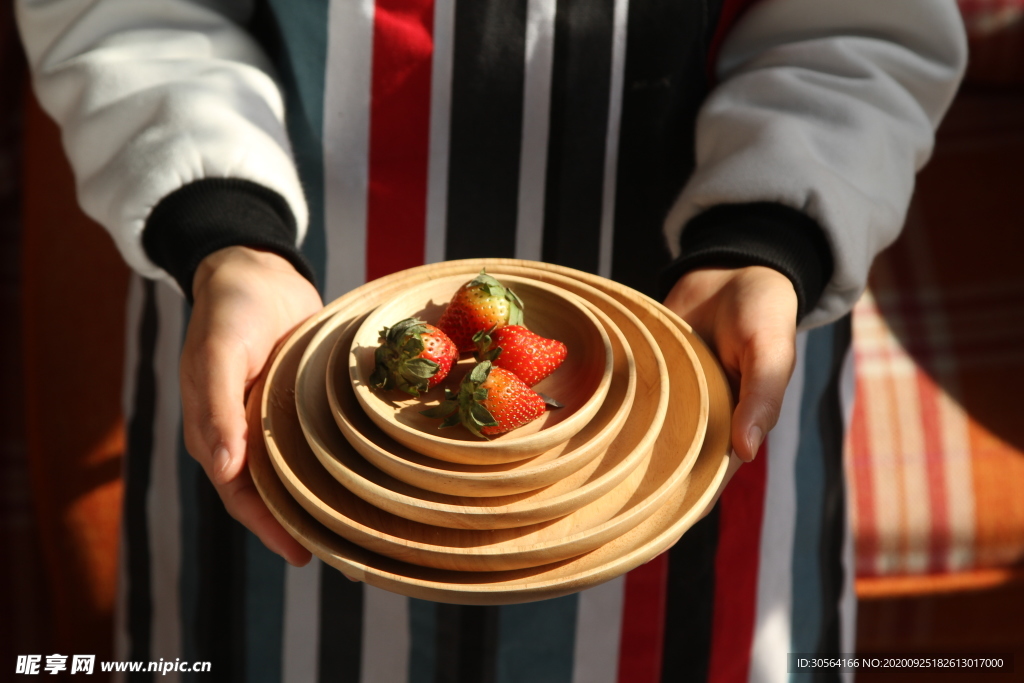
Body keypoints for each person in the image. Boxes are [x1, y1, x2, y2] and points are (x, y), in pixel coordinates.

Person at [16, 0, 965, 680]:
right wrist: (222, 232)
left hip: (707, 338)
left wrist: (772, 234)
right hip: (276, 320)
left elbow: (864, 20)